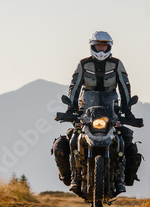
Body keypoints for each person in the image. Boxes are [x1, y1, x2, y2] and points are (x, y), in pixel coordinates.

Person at [52, 31, 142, 195]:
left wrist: (127, 110)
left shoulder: (116, 64)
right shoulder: (83, 64)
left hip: (111, 111)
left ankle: (122, 178)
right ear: (92, 46)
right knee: (70, 139)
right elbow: (74, 86)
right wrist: (71, 108)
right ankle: (72, 176)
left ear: (109, 46)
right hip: (86, 111)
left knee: (126, 139)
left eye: (104, 45)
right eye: (98, 45)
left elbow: (124, 86)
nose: (101, 48)